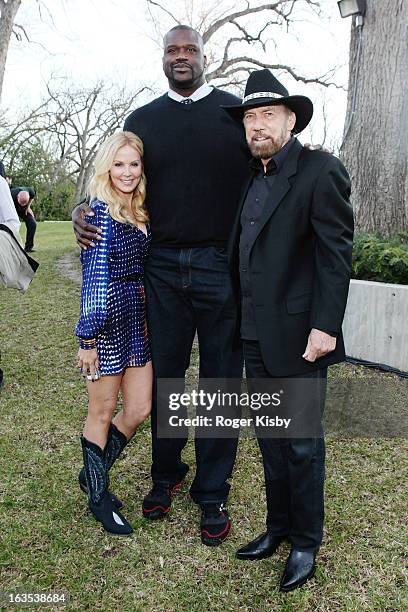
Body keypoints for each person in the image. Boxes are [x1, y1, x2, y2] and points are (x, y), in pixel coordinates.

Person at [73, 25, 250, 546]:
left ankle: (213, 491)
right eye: (172, 50)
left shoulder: (232, 114)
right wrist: (85, 208)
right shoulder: (143, 121)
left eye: (189, 50)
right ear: (163, 58)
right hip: (162, 269)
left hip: (221, 265)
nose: (181, 57)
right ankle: (165, 475)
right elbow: (117, 175)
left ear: (203, 56)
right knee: (166, 379)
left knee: (221, 382)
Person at [223, 69, 354, 591]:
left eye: (267, 115)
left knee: (301, 444)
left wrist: (325, 325)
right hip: (253, 336)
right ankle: (278, 527)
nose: (256, 125)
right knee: (271, 441)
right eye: (250, 117)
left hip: (301, 338)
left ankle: (305, 542)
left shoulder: (321, 171)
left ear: (291, 119)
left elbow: (335, 254)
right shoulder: (251, 176)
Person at [75, 131, 152, 536]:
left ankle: (93, 474)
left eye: (133, 164)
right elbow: (94, 279)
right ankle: (99, 497)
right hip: (105, 326)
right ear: (107, 167)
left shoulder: (139, 208)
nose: (126, 172)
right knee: (101, 413)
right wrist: (87, 339)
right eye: (118, 164)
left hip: (137, 322)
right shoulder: (99, 212)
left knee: (139, 408)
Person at [10, 186, 37, 252]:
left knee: (32, 224)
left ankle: (28, 248)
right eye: (21, 203)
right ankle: (12, 248)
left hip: (24, 209)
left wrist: (27, 207)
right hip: (12, 208)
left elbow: (32, 198)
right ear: (17, 197)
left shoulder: (31, 191)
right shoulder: (11, 194)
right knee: (12, 226)